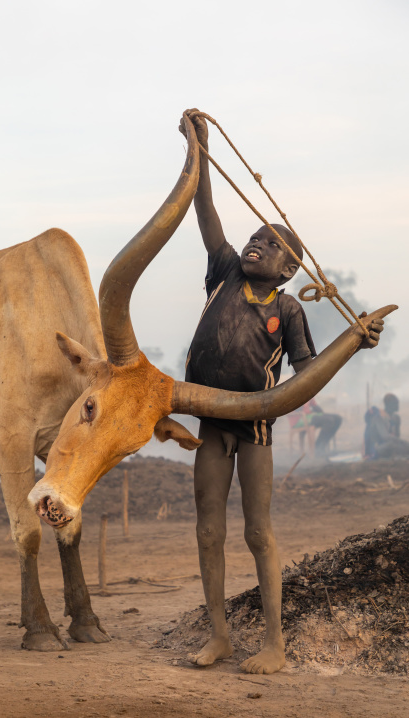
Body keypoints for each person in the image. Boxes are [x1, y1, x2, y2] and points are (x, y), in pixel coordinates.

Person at [179, 109, 384, 675]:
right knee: (208, 529)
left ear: (290, 269)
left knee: (258, 532)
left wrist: (356, 343)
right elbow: (206, 210)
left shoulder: (290, 310)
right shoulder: (222, 272)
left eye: (269, 245)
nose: (253, 245)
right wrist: (198, 152)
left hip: (256, 426)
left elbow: (307, 371)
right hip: (210, 422)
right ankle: (219, 637)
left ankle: (275, 645)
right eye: (253, 238)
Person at [364, 392, 408, 458]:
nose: (397, 406)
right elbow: (385, 437)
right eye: (395, 403)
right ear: (389, 405)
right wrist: (402, 442)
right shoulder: (378, 417)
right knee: (392, 445)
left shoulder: (396, 418)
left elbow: (397, 435)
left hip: (392, 444)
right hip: (378, 448)